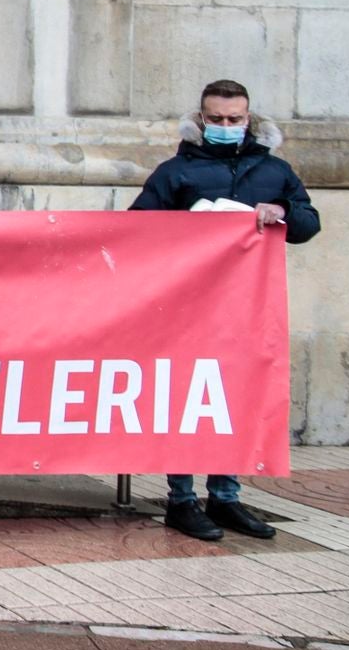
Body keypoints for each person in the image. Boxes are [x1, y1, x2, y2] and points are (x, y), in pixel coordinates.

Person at [130, 79, 320, 542]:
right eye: (216, 119)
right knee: (189, 397)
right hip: (187, 308)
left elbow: (308, 223)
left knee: (235, 396)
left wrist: (281, 212)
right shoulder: (174, 172)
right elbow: (136, 229)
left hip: (245, 308)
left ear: (249, 119)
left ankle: (226, 497)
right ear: (200, 120)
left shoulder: (275, 171)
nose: (226, 126)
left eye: (235, 120)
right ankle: (181, 499)